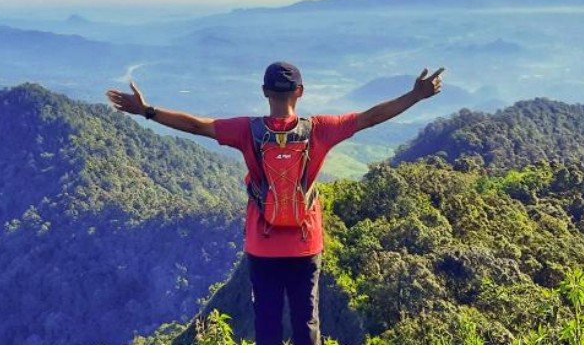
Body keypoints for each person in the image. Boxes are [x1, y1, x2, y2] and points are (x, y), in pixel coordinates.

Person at [105, 61, 445, 345]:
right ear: (300, 92)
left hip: (262, 245)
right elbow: (371, 117)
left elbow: (197, 125)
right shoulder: (321, 129)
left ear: (265, 92)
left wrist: (147, 111)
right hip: (305, 244)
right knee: (305, 323)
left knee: (266, 325)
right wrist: (416, 95)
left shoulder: (246, 131)